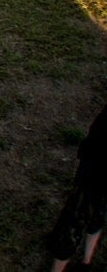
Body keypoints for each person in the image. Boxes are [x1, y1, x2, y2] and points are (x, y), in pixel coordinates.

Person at [50, 102, 107, 272]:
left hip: (96, 167)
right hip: (97, 162)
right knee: (97, 212)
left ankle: (65, 266)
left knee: (75, 219)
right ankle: (86, 262)